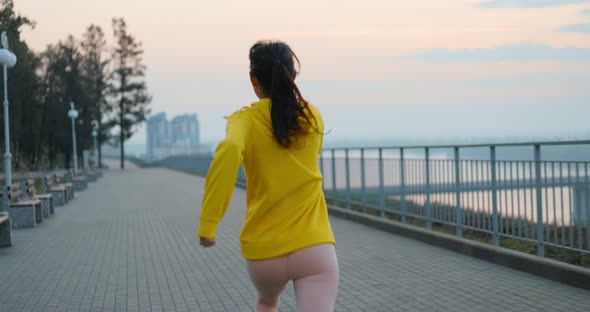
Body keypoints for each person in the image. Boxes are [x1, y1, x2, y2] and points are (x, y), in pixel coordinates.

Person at [197, 40, 339, 312]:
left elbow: (228, 152)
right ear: (293, 76)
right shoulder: (312, 117)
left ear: (253, 79)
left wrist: (208, 225)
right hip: (314, 246)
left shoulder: (244, 121)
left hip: (264, 253)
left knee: (266, 301)